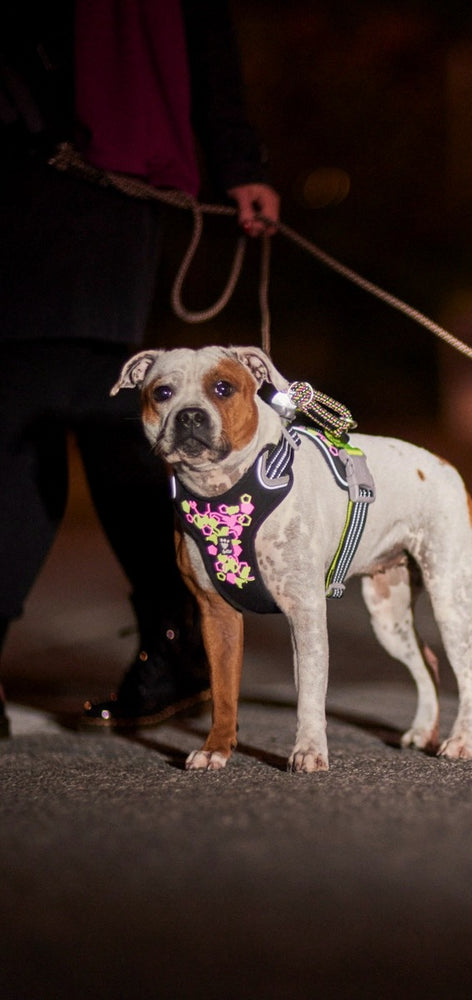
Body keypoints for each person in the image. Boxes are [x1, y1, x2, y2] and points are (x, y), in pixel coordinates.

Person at [0, 0, 281, 736]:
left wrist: (238, 161)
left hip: (95, 178)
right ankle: (176, 637)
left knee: (73, 401)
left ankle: (174, 633)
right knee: (50, 412)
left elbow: (202, 34)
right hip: (27, 171)